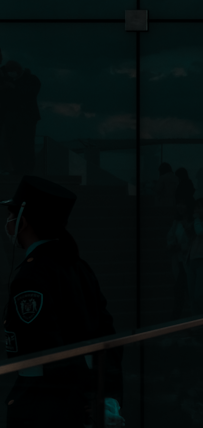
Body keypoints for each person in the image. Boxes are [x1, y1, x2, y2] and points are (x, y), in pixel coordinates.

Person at [2, 176, 125, 427]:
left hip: (45, 403)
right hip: (78, 400)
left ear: (23, 221)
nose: (8, 222)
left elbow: (47, 348)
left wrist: (86, 398)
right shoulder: (79, 267)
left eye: (11, 215)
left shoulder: (33, 274)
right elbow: (107, 335)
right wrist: (106, 396)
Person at [165, 200, 193, 319]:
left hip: (189, 260)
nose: (180, 206)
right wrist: (173, 246)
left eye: (183, 203)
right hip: (180, 261)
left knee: (181, 290)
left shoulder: (193, 221)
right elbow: (170, 238)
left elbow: (193, 240)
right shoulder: (176, 222)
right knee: (183, 290)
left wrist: (180, 246)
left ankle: (175, 318)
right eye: (178, 203)